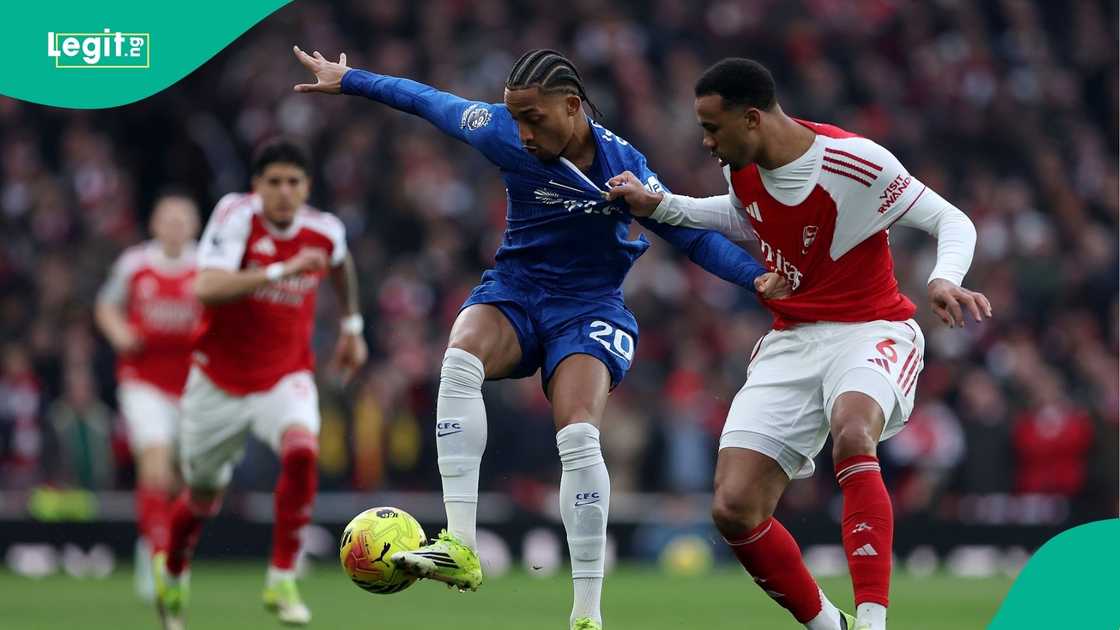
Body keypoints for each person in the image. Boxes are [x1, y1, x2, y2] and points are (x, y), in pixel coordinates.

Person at [292, 47, 787, 630]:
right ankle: (461, 544)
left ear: (573, 107)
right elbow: (429, 101)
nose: (523, 132)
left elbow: (690, 236)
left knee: (577, 431)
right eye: (516, 117)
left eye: (535, 118)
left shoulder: (621, 167)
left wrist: (755, 278)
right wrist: (350, 78)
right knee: (458, 358)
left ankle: (585, 615)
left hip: (587, 309)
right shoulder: (501, 132)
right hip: (517, 292)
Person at [605, 58, 992, 630]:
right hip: (793, 338)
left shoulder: (855, 162)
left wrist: (943, 278)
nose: (707, 141)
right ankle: (828, 626)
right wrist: (658, 203)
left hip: (871, 329)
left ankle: (872, 620)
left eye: (714, 127)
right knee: (734, 509)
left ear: (753, 118)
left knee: (854, 430)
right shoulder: (742, 168)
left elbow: (951, 220)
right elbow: (743, 219)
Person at [152, 139, 368, 629]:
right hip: (217, 382)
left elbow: (340, 262)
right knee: (203, 496)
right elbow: (206, 287)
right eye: (274, 182)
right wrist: (278, 270)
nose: (284, 193)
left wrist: (352, 328)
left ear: (307, 187)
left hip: (283, 375)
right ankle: (174, 568)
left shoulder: (324, 229)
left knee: (302, 451)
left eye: (294, 182)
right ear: (256, 187)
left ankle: (282, 577)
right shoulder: (235, 216)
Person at [94, 193, 201, 602]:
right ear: (155, 225)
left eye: (182, 219)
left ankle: (162, 541)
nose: (174, 226)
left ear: (194, 227)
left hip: (193, 387)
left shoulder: (205, 266)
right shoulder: (135, 263)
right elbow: (106, 306)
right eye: (167, 219)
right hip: (143, 382)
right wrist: (119, 331)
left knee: (182, 481)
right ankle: (156, 556)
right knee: (153, 464)